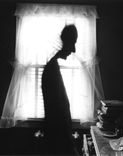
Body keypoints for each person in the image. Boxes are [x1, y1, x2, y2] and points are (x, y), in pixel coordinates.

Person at [41, 24, 78, 155]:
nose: (74, 50)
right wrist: (68, 141)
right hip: (58, 137)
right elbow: (57, 110)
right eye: (72, 43)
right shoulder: (51, 70)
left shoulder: (52, 67)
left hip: (59, 135)